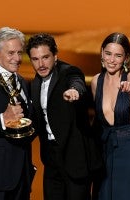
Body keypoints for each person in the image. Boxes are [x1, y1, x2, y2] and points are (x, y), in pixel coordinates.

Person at [26, 33, 98, 200]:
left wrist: (75, 91)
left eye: (45, 57)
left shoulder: (68, 72)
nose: (41, 64)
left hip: (75, 158)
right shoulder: (35, 84)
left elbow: (77, 82)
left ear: (55, 56)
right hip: (51, 161)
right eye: (35, 59)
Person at [90, 32, 130, 200]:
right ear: (102, 53)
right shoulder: (96, 81)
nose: (112, 60)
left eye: (118, 55)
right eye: (108, 54)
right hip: (104, 151)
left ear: (126, 58)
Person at [0, 27, 35, 199]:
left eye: (19, 52)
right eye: (11, 53)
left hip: (23, 174)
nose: (17, 58)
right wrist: (3, 119)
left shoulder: (22, 82)